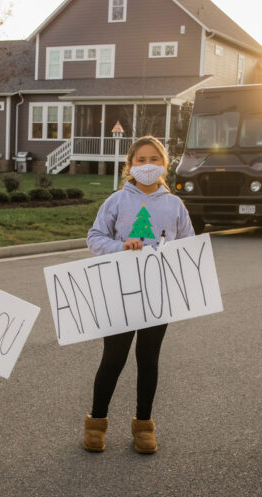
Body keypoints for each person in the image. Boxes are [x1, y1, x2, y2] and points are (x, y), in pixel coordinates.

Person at [83, 135, 194, 454]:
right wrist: (121, 246)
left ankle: (143, 426)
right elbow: (94, 238)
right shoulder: (117, 201)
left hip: (158, 296)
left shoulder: (174, 205)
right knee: (113, 359)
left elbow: (189, 244)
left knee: (149, 361)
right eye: (141, 160)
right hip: (120, 293)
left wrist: (170, 252)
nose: (148, 165)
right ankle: (96, 423)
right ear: (130, 166)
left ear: (164, 165)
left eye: (154, 159)